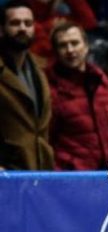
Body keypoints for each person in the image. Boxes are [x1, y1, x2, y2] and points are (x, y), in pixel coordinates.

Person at [47, 21, 108, 170]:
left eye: (75, 43)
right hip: (71, 176)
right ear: (55, 52)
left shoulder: (102, 80)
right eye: (63, 45)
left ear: (86, 46)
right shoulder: (49, 86)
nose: (70, 50)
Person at [0, 0, 53, 170]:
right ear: (1, 29)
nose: (23, 28)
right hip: (7, 174)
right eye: (15, 23)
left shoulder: (40, 69)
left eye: (28, 23)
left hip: (39, 171)